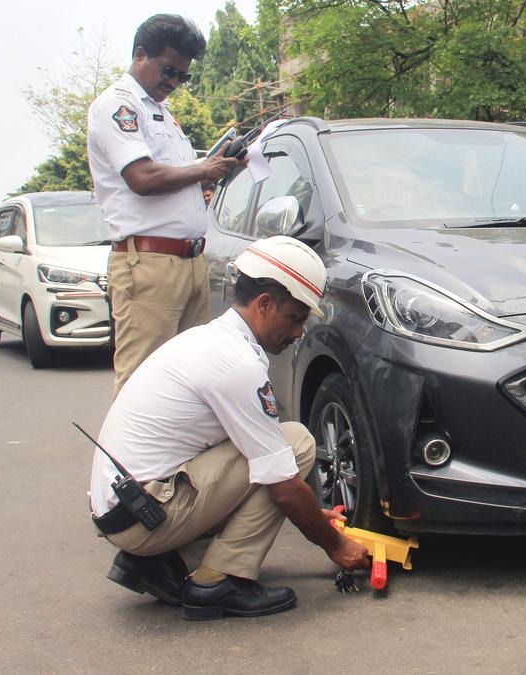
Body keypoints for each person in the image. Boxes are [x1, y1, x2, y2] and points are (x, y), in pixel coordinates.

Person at [89, 236, 370, 621]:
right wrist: (336, 545)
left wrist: (314, 514)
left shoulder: (209, 340)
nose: (298, 333)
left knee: (268, 451)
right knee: (296, 445)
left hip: (128, 508)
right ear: (265, 304)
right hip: (145, 517)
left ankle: (159, 563)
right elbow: (284, 487)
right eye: (295, 318)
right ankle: (218, 581)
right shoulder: (235, 364)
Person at [88, 13, 243, 393]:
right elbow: (141, 178)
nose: (173, 83)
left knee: (188, 381)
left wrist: (208, 174)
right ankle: (124, 456)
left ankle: (176, 456)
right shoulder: (118, 106)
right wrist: (204, 170)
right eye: (169, 71)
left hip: (188, 262)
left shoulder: (164, 114)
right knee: (142, 382)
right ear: (140, 55)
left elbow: (175, 179)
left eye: (183, 77)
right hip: (149, 264)